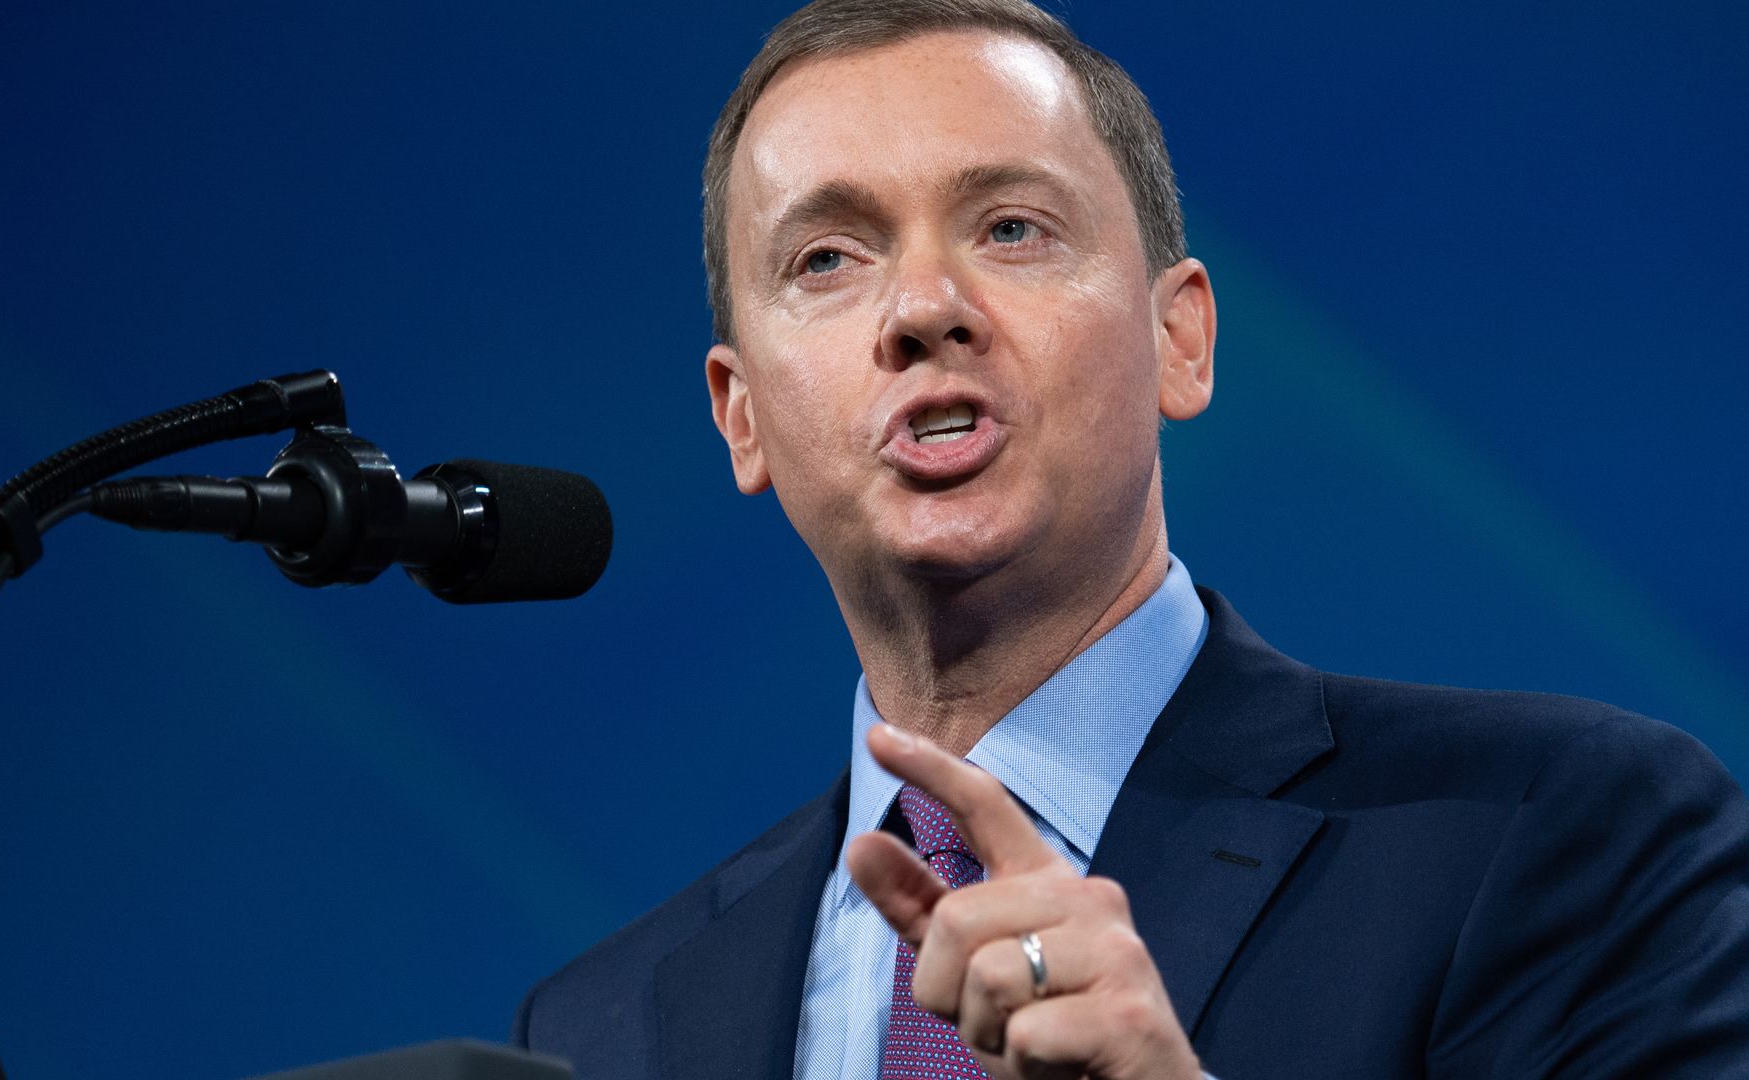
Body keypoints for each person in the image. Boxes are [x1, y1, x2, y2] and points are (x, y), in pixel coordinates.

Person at [511, 1, 1749, 1076]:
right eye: (828, 258)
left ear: (1182, 339)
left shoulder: (1546, 831)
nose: (925, 310)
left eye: (1010, 228)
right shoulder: (599, 1028)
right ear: (743, 417)